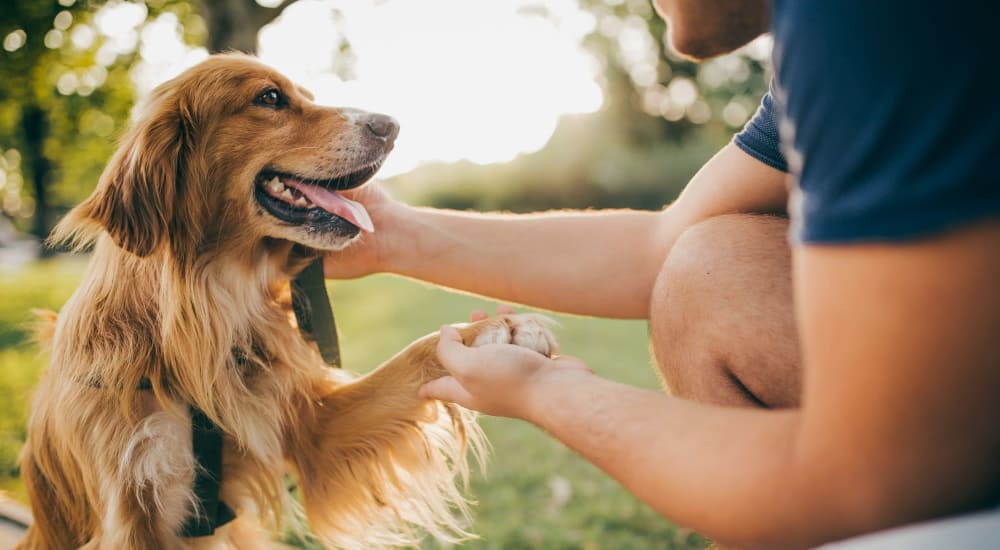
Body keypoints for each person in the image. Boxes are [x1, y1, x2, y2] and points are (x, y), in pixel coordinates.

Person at [324, 0, 1000, 547]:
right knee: (713, 268)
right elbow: (662, 244)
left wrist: (548, 392)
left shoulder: (873, 19)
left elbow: (870, 477)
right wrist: (392, 235)